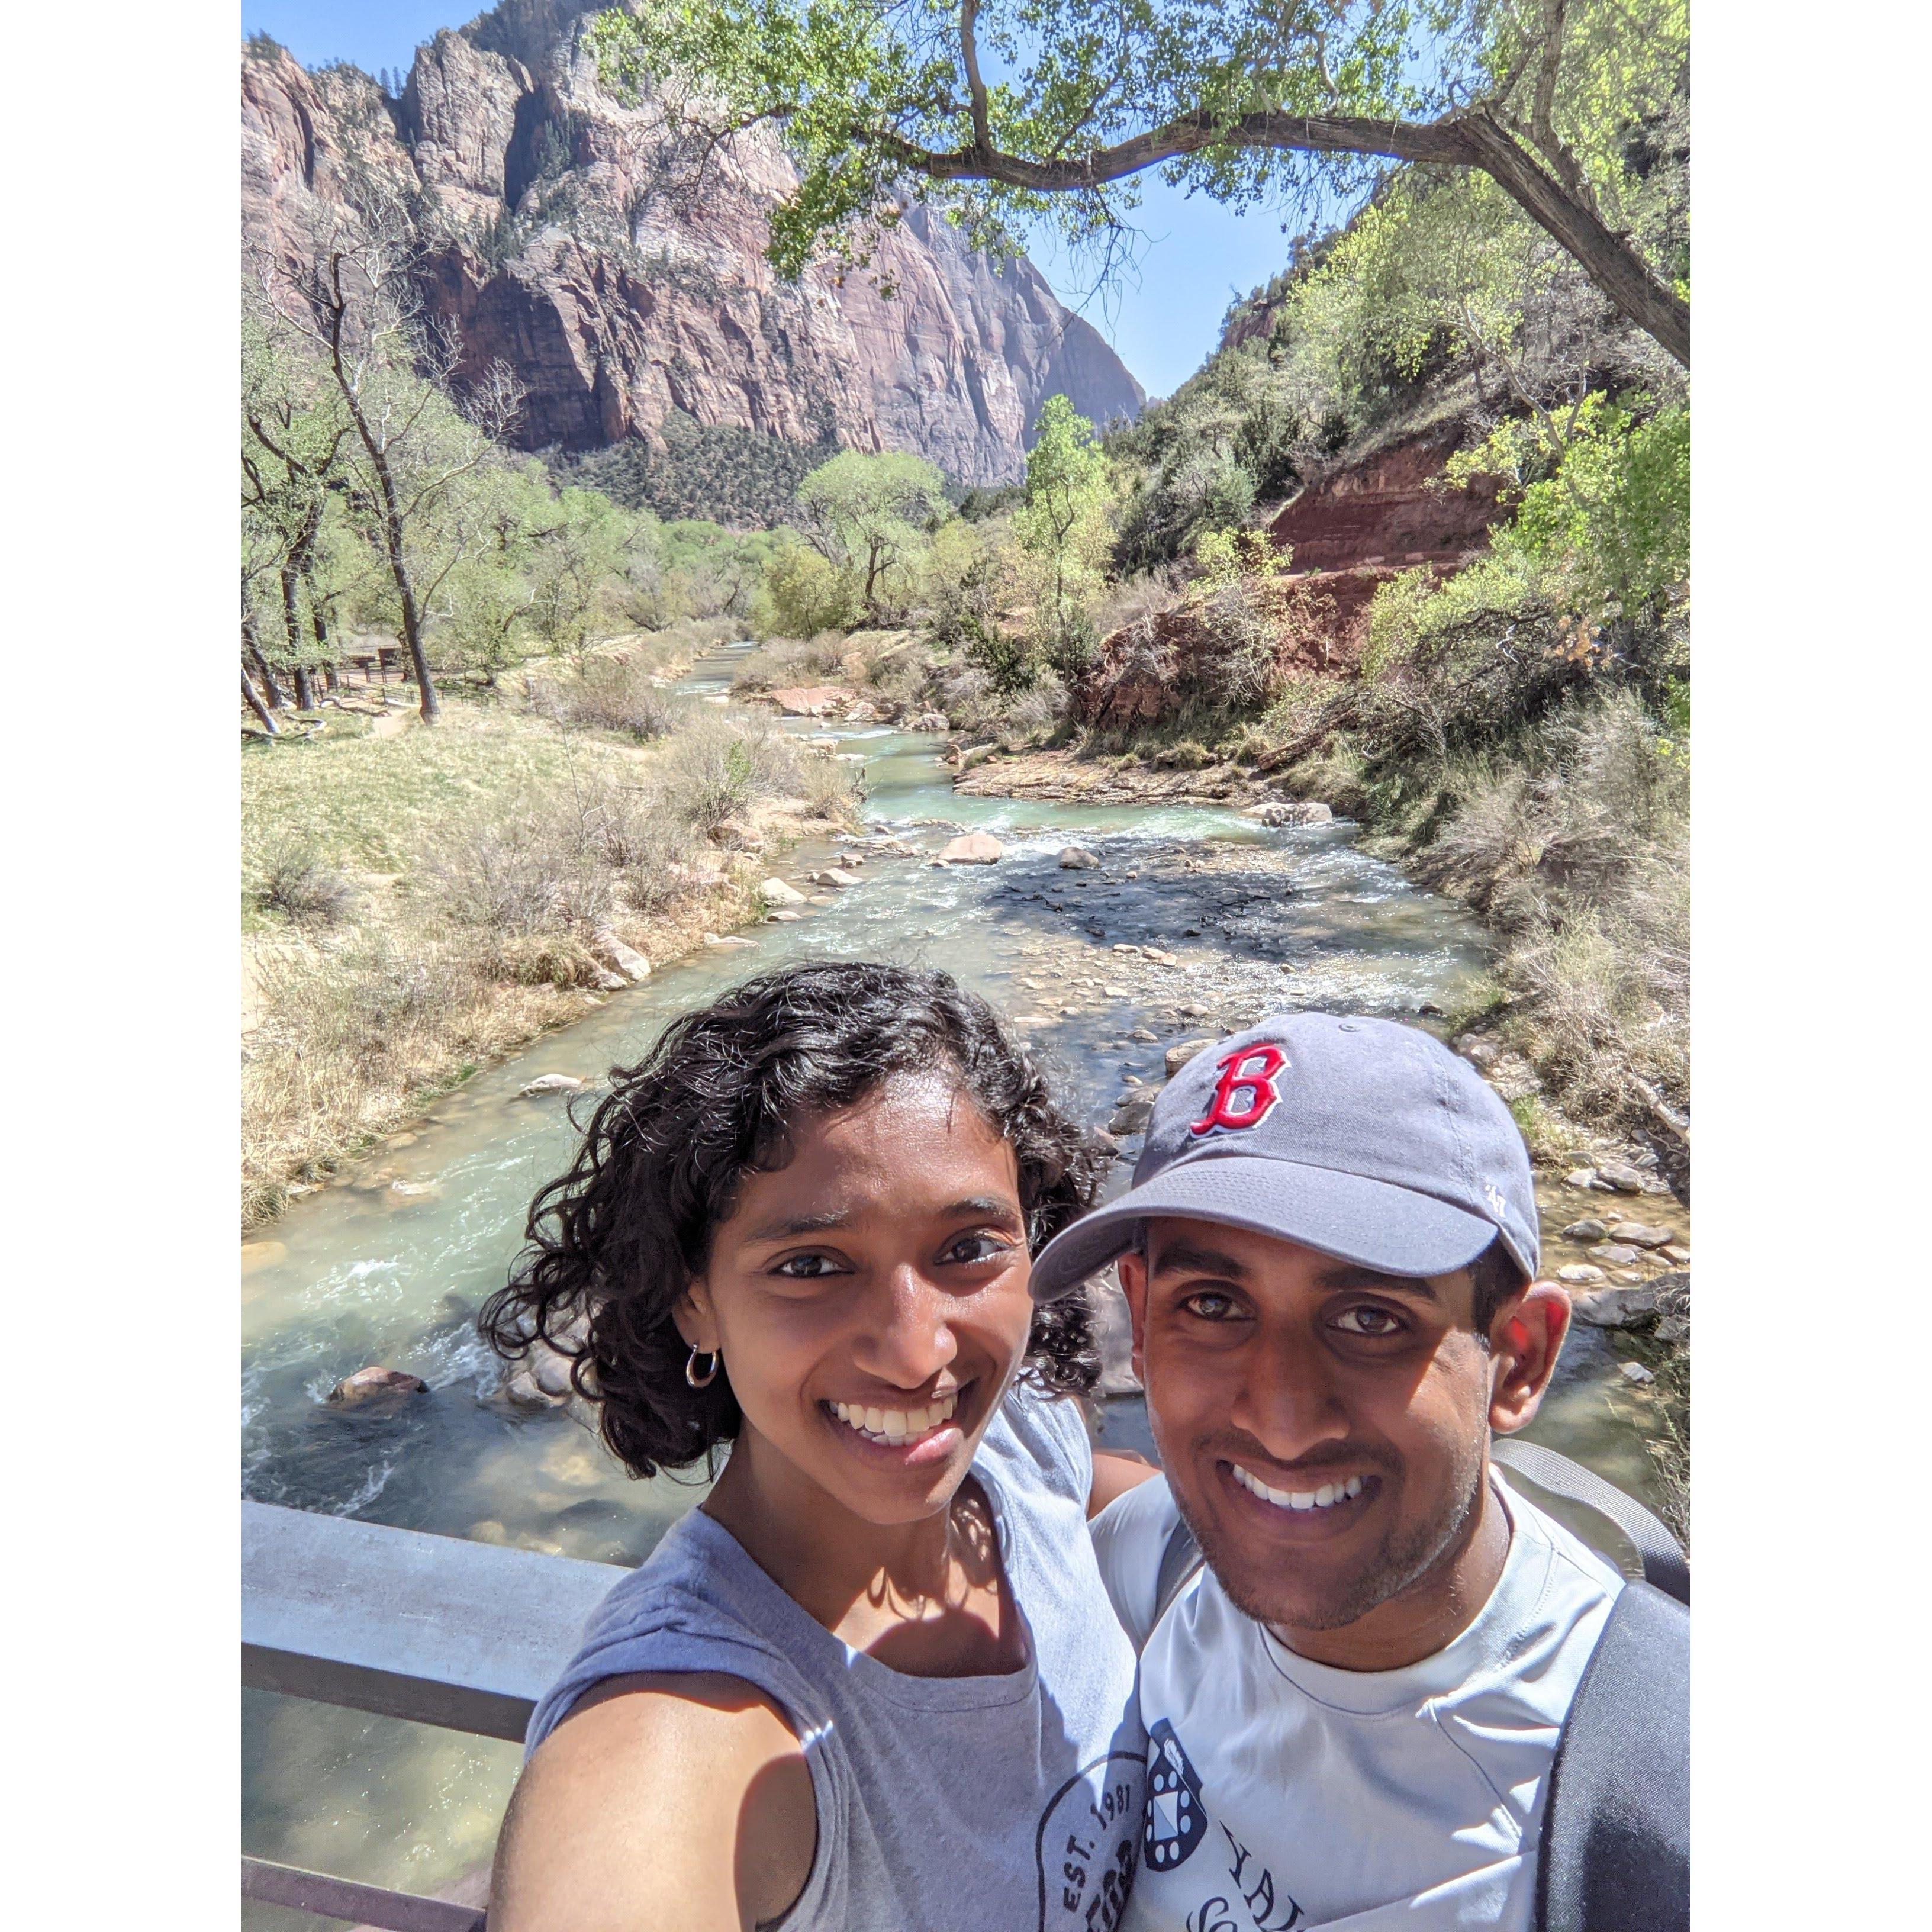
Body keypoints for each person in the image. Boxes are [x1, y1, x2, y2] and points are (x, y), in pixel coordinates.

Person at [479, 963, 1154, 1932]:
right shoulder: (680, 1725)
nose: (918, 1352)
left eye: (967, 1248)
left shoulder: (1020, 1444)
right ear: (694, 1301)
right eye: (811, 1266)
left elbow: (1152, 1513)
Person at [1030, 1012, 1690, 1932]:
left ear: (1521, 1360)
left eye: (1373, 1319)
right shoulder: (1158, 1563)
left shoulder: (1659, 1814)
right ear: (1138, 1327)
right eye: (1215, 1304)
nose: (1284, 1420)